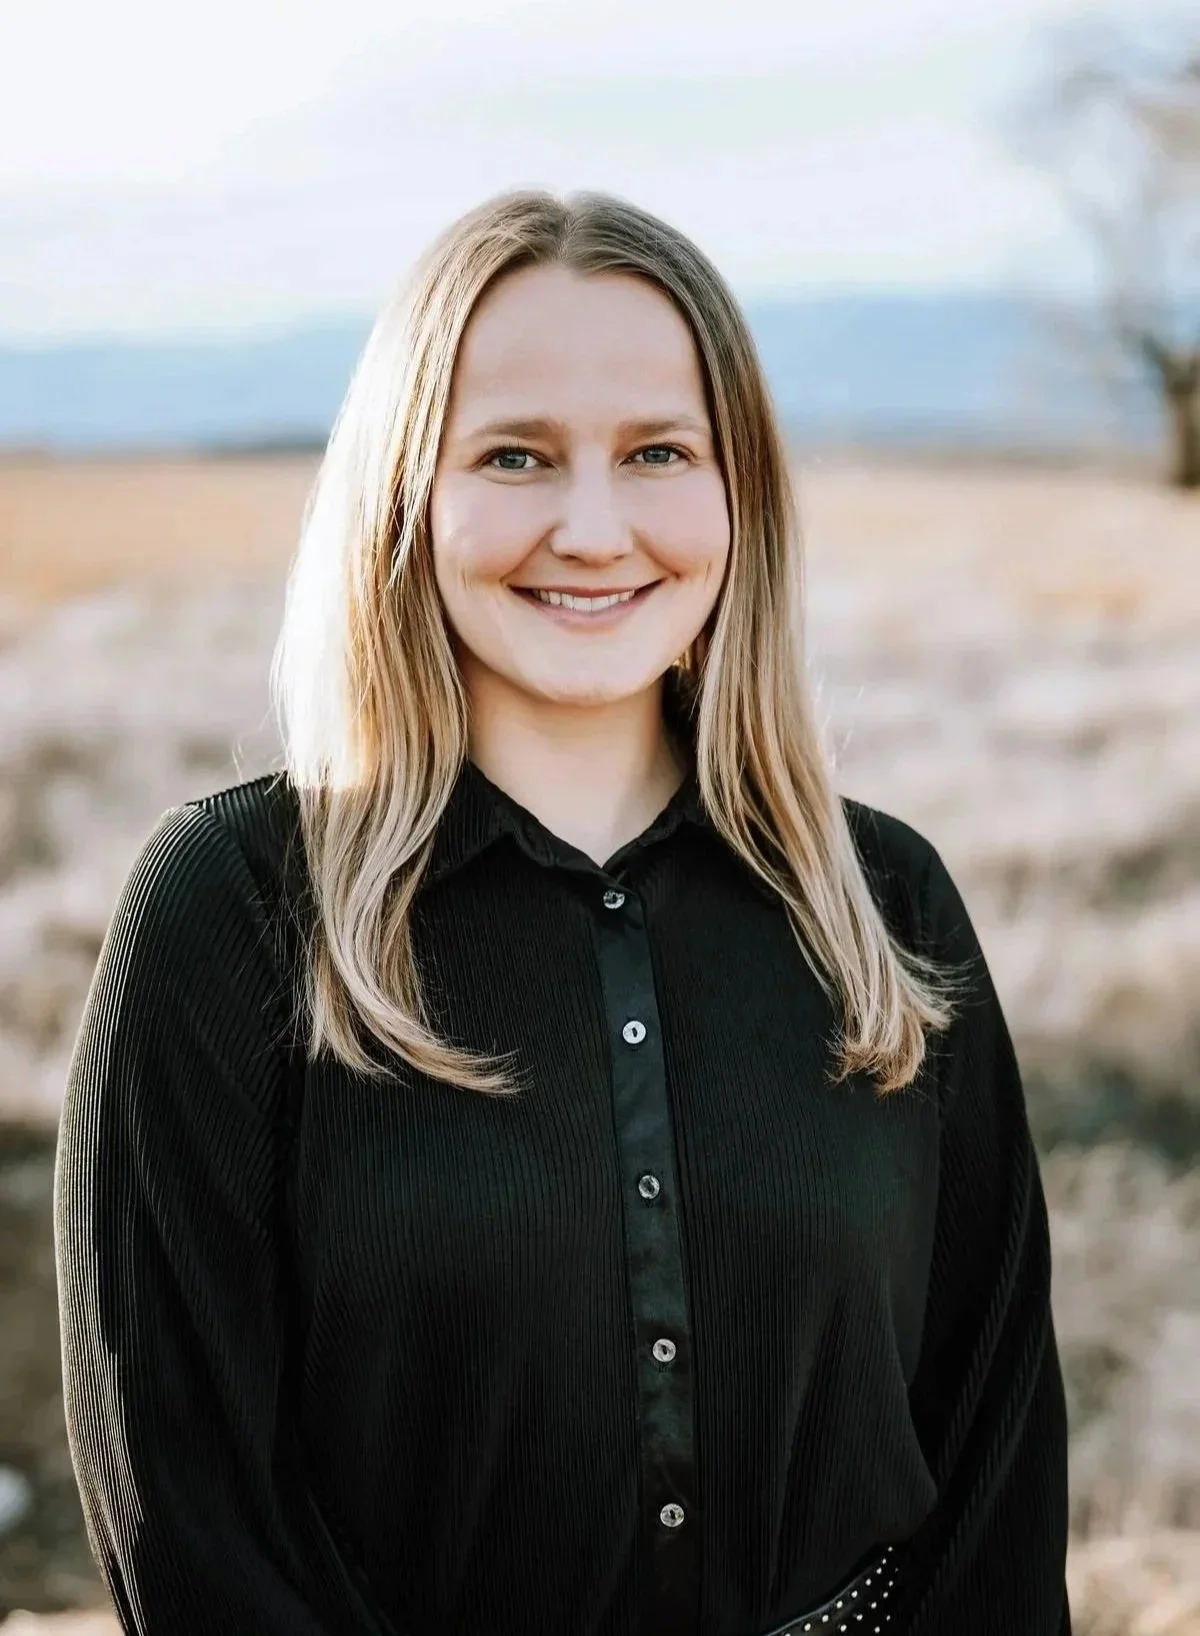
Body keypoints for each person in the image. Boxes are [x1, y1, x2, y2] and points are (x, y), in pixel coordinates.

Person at [53, 189, 1070, 1636]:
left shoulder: (883, 900)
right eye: (516, 457)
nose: (593, 530)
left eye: (658, 451)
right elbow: (187, 1503)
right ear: (408, 492)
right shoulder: (230, 912)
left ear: (740, 496)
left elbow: (997, 1452)